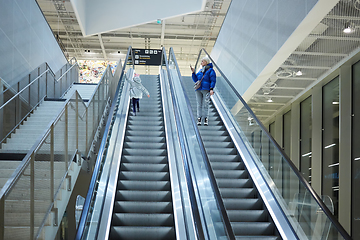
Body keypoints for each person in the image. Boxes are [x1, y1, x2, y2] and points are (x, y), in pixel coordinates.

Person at [190, 56, 216, 126]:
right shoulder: (200, 71)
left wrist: (211, 89)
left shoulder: (210, 70)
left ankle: (205, 118)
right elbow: (196, 80)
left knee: (205, 104)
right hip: (198, 89)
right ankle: (199, 118)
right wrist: (193, 73)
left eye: (202, 61)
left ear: (206, 62)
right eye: (201, 61)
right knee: (199, 105)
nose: (201, 62)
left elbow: (213, 80)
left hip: (206, 89)